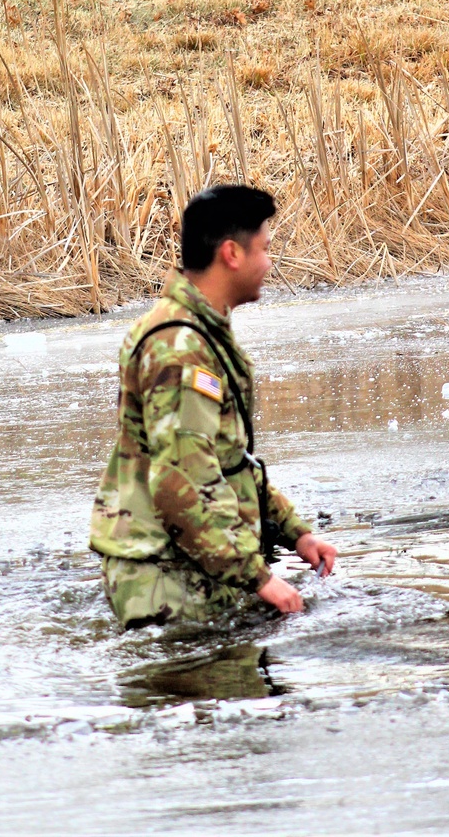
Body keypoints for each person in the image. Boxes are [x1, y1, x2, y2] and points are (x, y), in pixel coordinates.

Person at [90, 184, 337, 628]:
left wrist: (294, 531)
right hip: (166, 581)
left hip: (191, 564)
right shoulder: (180, 348)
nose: (270, 262)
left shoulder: (197, 333)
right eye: (264, 248)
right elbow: (180, 479)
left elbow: (227, 460)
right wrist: (258, 577)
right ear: (232, 254)